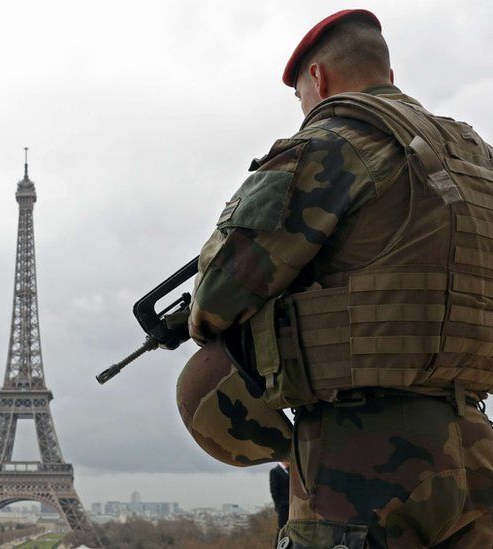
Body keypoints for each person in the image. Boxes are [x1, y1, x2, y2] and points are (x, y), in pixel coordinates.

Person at [186, 8, 493, 548]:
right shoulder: (481, 163)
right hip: (477, 447)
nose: (305, 107)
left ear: (318, 79)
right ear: (390, 78)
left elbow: (218, 296)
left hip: (362, 463)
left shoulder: (329, 146)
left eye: (300, 94)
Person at [268, 462, 289, 531]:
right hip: (283, 506)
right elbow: (274, 491)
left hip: (292, 505)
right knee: (282, 528)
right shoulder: (275, 471)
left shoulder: (291, 471)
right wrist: (278, 507)